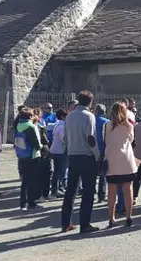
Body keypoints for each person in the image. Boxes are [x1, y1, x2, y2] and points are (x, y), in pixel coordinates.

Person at [61, 91, 101, 234]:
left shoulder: (69, 116)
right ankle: (85, 224)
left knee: (70, 191)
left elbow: (64, 137)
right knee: (88, 192)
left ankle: (65, 223)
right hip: (86, 156)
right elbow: (91, 138)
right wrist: (97, 155)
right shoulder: (89, 116)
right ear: (90, 102)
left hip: (72, 155)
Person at [105, 102, 137, 228]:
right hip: (126, 160)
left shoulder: (107, 125)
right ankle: (128, 217)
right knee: (128, 190)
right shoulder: (129, 126)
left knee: (111, 191)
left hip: (112, 160)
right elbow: (131, 140)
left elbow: (105, 141)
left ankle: (111, 218)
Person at [14, 108, 43, 211]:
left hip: (22, 155)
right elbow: (35, 143)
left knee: (24, 180)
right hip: (32, 156)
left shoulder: (18, 126)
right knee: (32, 180)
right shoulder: (30, 127)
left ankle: (23, 202)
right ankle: (31, 202)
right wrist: (41, 147)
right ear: (30, 116)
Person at [34, 115, 53, 200]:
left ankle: (38, 194)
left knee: (38, 175)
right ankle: (44, 194)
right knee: (46, 174)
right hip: (44, 152)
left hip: (36, 153)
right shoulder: (41, 127)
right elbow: (46, 140)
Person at [50, 109, 69, 197]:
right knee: (59, 171)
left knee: (59, 170)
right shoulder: (62, 126)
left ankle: (59, 188)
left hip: (56, 150)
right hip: (60, 151)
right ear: (62, 117)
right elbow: (64, 139)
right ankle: (55, 190)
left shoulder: (58, 124)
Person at [94, 104, 109, 203]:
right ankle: (101, 195)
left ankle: (92, 193)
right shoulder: (107, 122)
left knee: (92, 174)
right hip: (103, 150)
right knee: (103, 174)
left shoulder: (90, 120)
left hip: (91, 150)